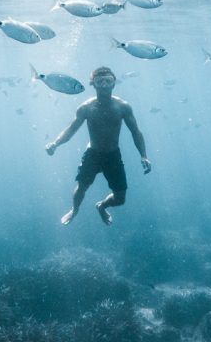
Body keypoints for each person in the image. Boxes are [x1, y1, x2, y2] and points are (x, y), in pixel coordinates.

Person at [46, 66, 151, 225]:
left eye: (108, 81)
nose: (104, 84)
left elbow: (136, 132)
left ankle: (102, 206)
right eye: (99, 81)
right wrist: (55, 143)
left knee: (120, 199)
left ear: (114, 83)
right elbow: (71, 130)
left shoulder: (123, 107)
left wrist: (144, 155)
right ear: (92, 84)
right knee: (82, 187)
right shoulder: (86, 108)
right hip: (93, 154)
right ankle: (75, 210)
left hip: (113, 155)